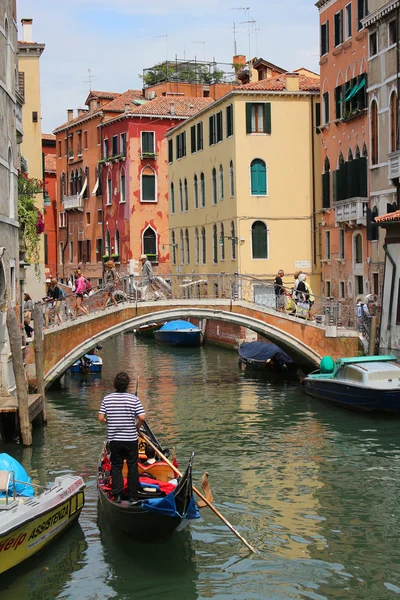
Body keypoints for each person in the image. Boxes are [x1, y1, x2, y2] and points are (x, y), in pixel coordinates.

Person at [98, 372, 146, 504]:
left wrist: (111, 421)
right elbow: (142, 417)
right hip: (130, 438)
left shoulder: (107, 399)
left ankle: (117, 495)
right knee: (132, 466)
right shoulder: (133, 399)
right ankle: (133, 496)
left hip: (115, 439)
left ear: (115, 384)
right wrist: (137, 427)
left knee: (117, 467)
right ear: (127, 385)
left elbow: (101, 418)